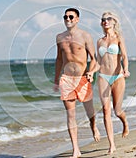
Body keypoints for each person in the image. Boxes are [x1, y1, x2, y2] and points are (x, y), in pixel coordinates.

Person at [54, 8, 100, 158]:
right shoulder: (59, 37)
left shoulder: (85, 36)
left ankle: (93, 127)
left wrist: (91, 72)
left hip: (83, 79)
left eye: (71, 16)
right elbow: (59, 59)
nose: (68, 19)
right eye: (65, 16)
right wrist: (56, 80)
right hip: (66, 79)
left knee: (90, 112)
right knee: (70, 115)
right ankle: (76, 149)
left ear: (77, 19)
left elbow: (94, 59)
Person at [96, 11, 130, 154]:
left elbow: (124, 56)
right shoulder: (99, 41)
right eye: (103, 19)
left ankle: (125, 122)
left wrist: (126, 70)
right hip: (103, 76)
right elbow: (98, 61)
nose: (106, 21)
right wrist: (90, 73)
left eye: (109, 19)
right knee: (105, 111)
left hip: (117, 76)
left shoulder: (119, 38)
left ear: (114, 22)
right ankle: (111, 144)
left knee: (117, 111)